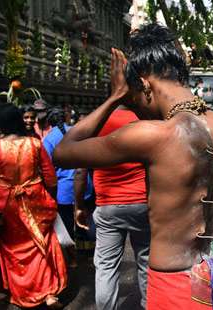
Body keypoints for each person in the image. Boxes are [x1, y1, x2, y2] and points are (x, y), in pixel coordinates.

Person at [53, 24, 213, 309]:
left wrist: (114, 96)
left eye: (133, 102)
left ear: (144, 85)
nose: (136, 110)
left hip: (176, 290)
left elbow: (62, 152)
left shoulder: (153, 135)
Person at [0, 105, 67, 308]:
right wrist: (51, 201)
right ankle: (49, 294)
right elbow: (50, 179)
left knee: (12, 250)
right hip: (36, 200)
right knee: (41, 244)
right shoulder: (35, 144)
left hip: (4, 204)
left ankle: (21, 292)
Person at [74, 105, 150, 310]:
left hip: (107, 205)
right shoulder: (145, 119)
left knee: (106, 267)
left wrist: (79, 205)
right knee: (146, 261)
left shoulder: (97, 120)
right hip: (142, 203)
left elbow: (81, 170)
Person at [43, 108, 94, 267]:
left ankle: (72, 259)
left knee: (66, 224)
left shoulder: (48, 140)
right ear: (66, 118)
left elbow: (47, 168)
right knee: (84, 221)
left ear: (48, 123)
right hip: (85, 186)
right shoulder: (77, 132)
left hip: (63, 190)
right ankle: (89, 256)